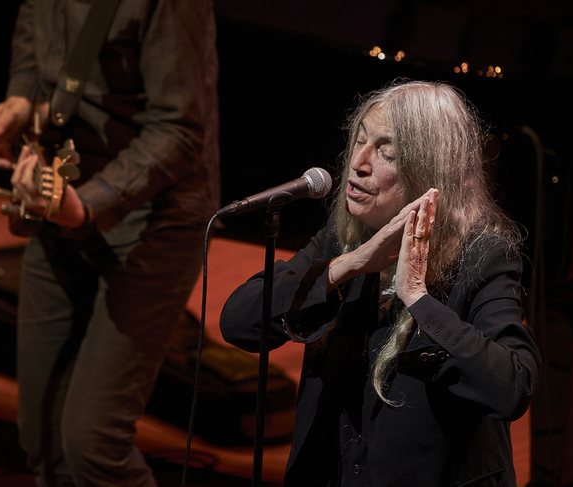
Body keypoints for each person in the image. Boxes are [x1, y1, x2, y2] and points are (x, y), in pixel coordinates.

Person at [220, 80, 541, 487]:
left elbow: (514, 386)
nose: (359, 162)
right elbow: (237, 322)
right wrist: (349, 264)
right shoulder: (341, 239)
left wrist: (419, 300)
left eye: (386, 152)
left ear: (429, 169)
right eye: (359, 141)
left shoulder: (483, 256)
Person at [0, 1, 220, 486]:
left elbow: (179, 128)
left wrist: (86, 205)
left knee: (93, 447)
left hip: (154, 220)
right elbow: (32, 39)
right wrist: (21, 97)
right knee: (41, 438)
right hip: (63, 201)